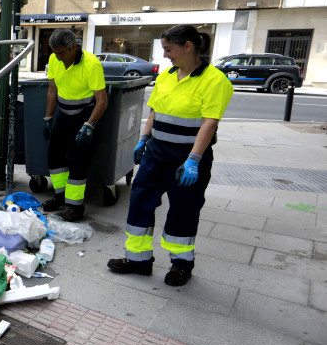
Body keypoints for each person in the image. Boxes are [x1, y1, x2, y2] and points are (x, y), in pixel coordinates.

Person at [107, 25, 233, 287]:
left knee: (183, 210)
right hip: (156, 153)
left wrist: (193, 160)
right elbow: (154, 111)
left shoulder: (214, 81)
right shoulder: (167, 76)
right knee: (140, 201)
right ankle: (138, 260)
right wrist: (143, 138)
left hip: (186, 160)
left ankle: (181, 265)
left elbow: (209, 123)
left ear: (188, 46)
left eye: (169, 49)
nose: (165, 55)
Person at [41, 28, 108, 222]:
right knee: (54, 157)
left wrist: (89, 125)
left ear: (74, 47)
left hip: (84, 114)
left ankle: (75, 207)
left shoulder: (91, 64)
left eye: (62, 53)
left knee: (78, 160)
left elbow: (102, 100)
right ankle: (60, 197)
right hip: (63, 113)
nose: (58, 57)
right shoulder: (55, 60)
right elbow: (52, 90)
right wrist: (48, 118)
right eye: (55, 53)